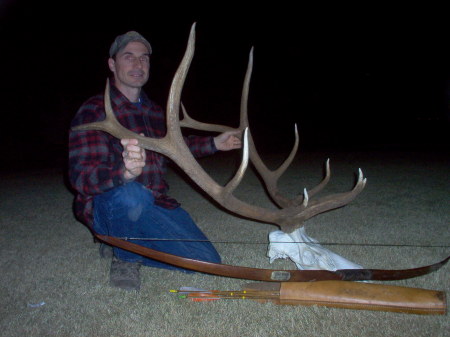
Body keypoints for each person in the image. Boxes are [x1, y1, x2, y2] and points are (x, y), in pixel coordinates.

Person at [68, 31, 241, 291]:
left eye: (144, 58)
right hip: (109, 207)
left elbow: (178, 147)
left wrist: (215, 143)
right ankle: (125, 258)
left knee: (208, 262)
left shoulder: (155, 112)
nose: (138, 64)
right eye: (129, 57)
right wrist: (123, 173)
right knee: (131, 195)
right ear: (112, 65)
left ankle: (123, 240)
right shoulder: (93, 112)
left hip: (155, 203)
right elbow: (80, 178)